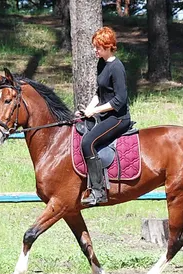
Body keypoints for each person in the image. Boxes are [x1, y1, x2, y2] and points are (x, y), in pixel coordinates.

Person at [79, 26, 131, 206]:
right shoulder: (101, 63)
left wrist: (96, 111)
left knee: (88, 142)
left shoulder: (117, 67)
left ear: (108, 47)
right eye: (95, 47)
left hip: (118, 118)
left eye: (98, 47)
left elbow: (120, 100)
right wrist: (88, 109)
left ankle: (98, 191)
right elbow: (99, 93)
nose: (95, 50)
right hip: (105, 114)